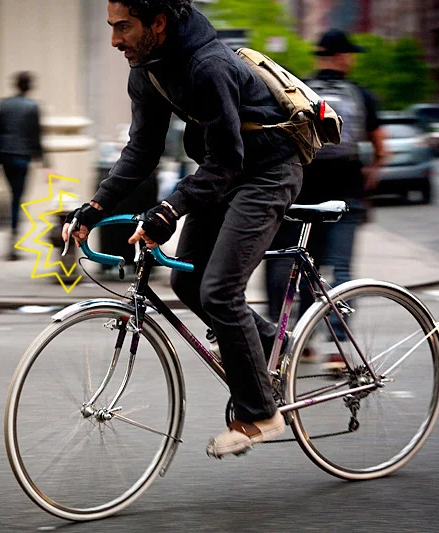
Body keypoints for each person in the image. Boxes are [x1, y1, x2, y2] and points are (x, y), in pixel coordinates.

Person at [61, 0, 303, 458]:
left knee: (220, 291)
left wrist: (168, 211)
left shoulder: (209, 65)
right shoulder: (147, 69)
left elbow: (230, 159)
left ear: (158, 22)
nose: (115, 40)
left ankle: (262, 415)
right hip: (220, 173)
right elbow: (142, 151)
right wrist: (95, 206)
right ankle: (273, 344)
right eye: (111, 28)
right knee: (187, 281)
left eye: (124, 27)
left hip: (267, 173)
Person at [265, 29, 387, 367]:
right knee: (341, 270)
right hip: (346, 194)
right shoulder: (362, 95)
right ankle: (338, 348)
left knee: (306, 268)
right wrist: (370, 174)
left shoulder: (301, 90)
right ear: (342, 56)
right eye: (350, 54)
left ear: (319, 55)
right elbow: (381, 148)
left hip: (306, 195)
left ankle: (302, 343)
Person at [0, 72, 45, 260]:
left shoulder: (2, 105)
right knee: (17, 198)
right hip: (22, 157)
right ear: (29, 86)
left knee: (11, 195)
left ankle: (11, 235)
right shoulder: (33, 107)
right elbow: (36, 136)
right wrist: (44, 161)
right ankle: (13, 238)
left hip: (5, 157)